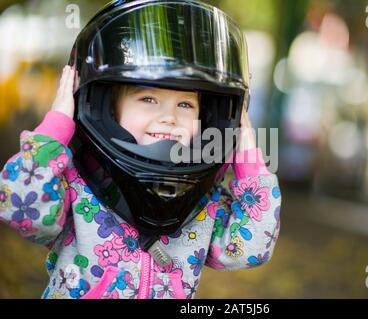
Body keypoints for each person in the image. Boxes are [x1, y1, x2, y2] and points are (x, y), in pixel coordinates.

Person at [0, 0, 281, 299]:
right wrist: (57, 126)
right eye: (148, 99)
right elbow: (19, 206)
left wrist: (247, 156)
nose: (169, 117)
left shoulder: (203, 202)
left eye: (185, 104)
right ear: (108, 108)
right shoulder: (77, 184)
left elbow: (250, 249)